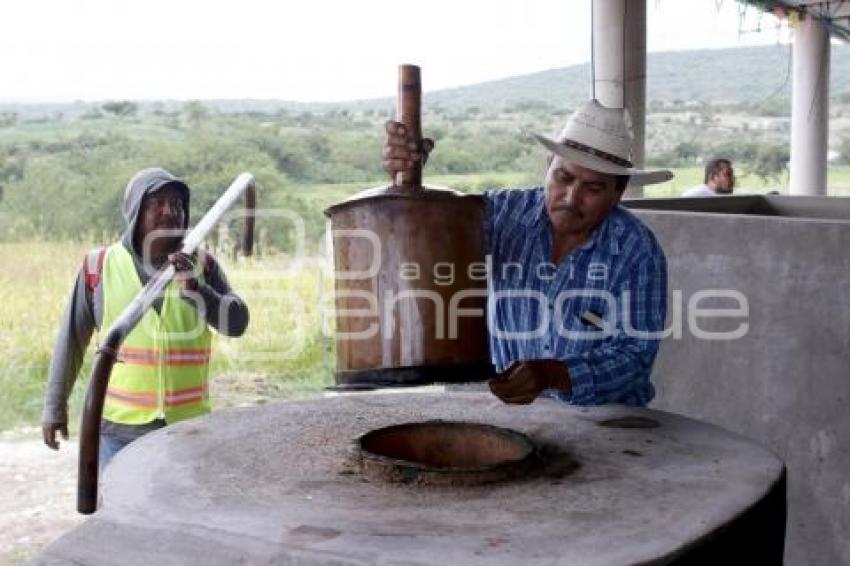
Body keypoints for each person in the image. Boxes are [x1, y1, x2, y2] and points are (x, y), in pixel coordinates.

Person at [383, 100, 671, 406]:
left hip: (607, 423)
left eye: (593, 188)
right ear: (549, 166)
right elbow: (433, 229)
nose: (572, 198)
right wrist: (408, 178)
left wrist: (555, 375)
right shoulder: (505, 213)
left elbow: (634, 355)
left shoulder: (637, 251)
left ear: (619, 192)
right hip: (511, 412)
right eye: (564, 177)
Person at [42, 168, 250, 469]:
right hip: (120, 431)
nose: (171, 212)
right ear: (136, 212)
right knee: (121, 511)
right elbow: (71, 342)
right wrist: (54, 408)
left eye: (178, 205)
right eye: (158, 203)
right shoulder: (98, 267)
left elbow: (238, 324)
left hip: (189, 430)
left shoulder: (203, 266)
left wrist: (197, 289)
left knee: (183, 513)